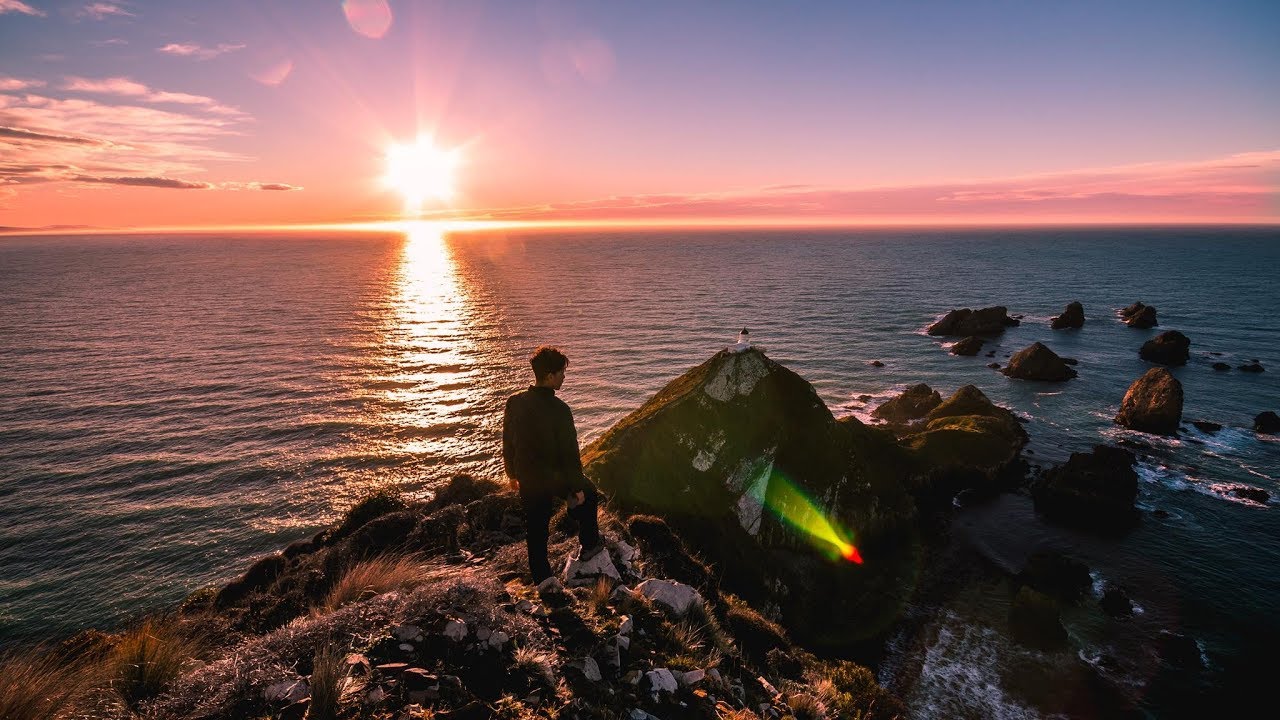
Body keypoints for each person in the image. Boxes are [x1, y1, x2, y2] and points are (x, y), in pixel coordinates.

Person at [502, 346, 604, 586]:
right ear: (549, 375)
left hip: (528, 477)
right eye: (561, 372)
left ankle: (544, 580)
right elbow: (569, 453)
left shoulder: (514, 402)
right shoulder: (560, 410)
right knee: (589, 495)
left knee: (536, 529)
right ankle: (589, 545)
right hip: (554, 477)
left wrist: (511, 473)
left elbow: (508, 440)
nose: (564, 377)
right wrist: (576, 486)